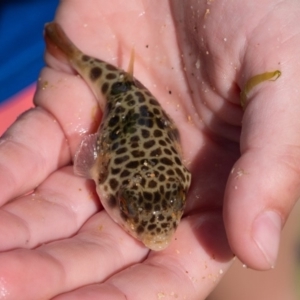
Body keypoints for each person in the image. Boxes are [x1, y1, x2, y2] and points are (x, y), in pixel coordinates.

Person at [0, 1, 299, 299]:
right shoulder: (106, 165)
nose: (158, 233)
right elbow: (89, 155)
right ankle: (72, 55)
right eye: (130, 209)